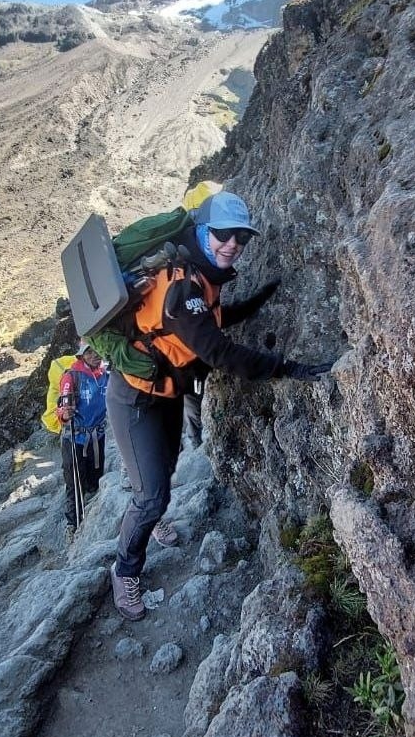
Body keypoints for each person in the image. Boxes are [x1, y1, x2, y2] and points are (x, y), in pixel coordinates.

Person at [103, 191, 333, 620]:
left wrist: (260, 299)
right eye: (223, 234)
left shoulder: (199, 274)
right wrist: (288, 368)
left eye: (241, 237)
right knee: (151, 496)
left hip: (165, 392)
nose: (232, 244)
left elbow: (211, 319)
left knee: (163, 472)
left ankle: (149, 515)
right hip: (134, 398)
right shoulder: (181, 288)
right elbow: (218, 351)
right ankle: (125, 570)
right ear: (202, 231)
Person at [56, 340, 109, 543]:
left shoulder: (106, 373)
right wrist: (64, 414)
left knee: (95, 478)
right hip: (74, 438)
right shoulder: (71, 376)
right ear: (81, 355)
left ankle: (95, 512)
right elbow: (62, 407)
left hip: (97, 436)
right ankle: (73, 524)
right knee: (75, 484)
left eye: (97, 350)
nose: (94, 355)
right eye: (89, 352)